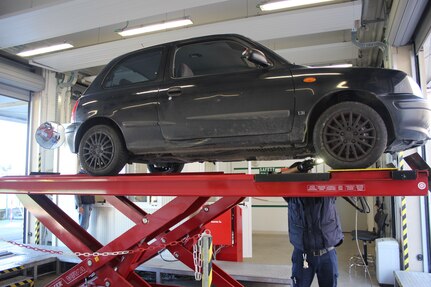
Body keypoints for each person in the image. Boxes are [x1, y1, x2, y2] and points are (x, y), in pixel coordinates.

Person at [282, 160, 344, 287]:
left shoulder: (327, 191)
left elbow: (342, 175)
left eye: (305, 173)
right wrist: (298, 168)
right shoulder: (291, 195)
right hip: (303, 255)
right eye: (298, 175)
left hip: (327, 254)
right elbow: (274, 180)